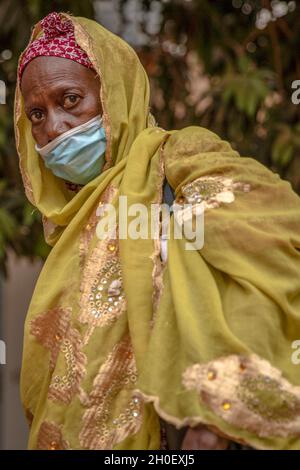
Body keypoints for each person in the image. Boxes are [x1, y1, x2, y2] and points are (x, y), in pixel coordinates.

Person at [15, 12, 300, 450]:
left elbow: (271, 243)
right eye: (36, 113)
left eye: (70, 100)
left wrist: (217, 415)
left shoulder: (179, 160)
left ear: (113, 93)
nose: (54, 128)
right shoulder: (70, 229)